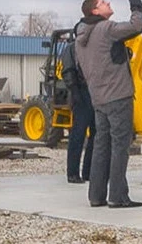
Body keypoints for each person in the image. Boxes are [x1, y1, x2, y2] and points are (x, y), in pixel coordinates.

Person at [75, 0, 142, 208]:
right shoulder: (106, 28)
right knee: (120, 147)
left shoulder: (80, 38)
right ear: (95, 11)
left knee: (100, 147)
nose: (108, 4)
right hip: (118, 97)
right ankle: (117, 196)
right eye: (103, 3)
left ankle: (96, 196)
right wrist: (135, 0)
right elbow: (137, 25)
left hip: (99, 99)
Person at [60, 20, 94, 183]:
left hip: (94, 93)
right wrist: (74, 91)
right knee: (78, 134)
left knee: (96, 134)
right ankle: (72, 173)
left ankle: (89, 171)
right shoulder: (71, 49)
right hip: (79, 93)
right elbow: (68, 71)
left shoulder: (93, 48)